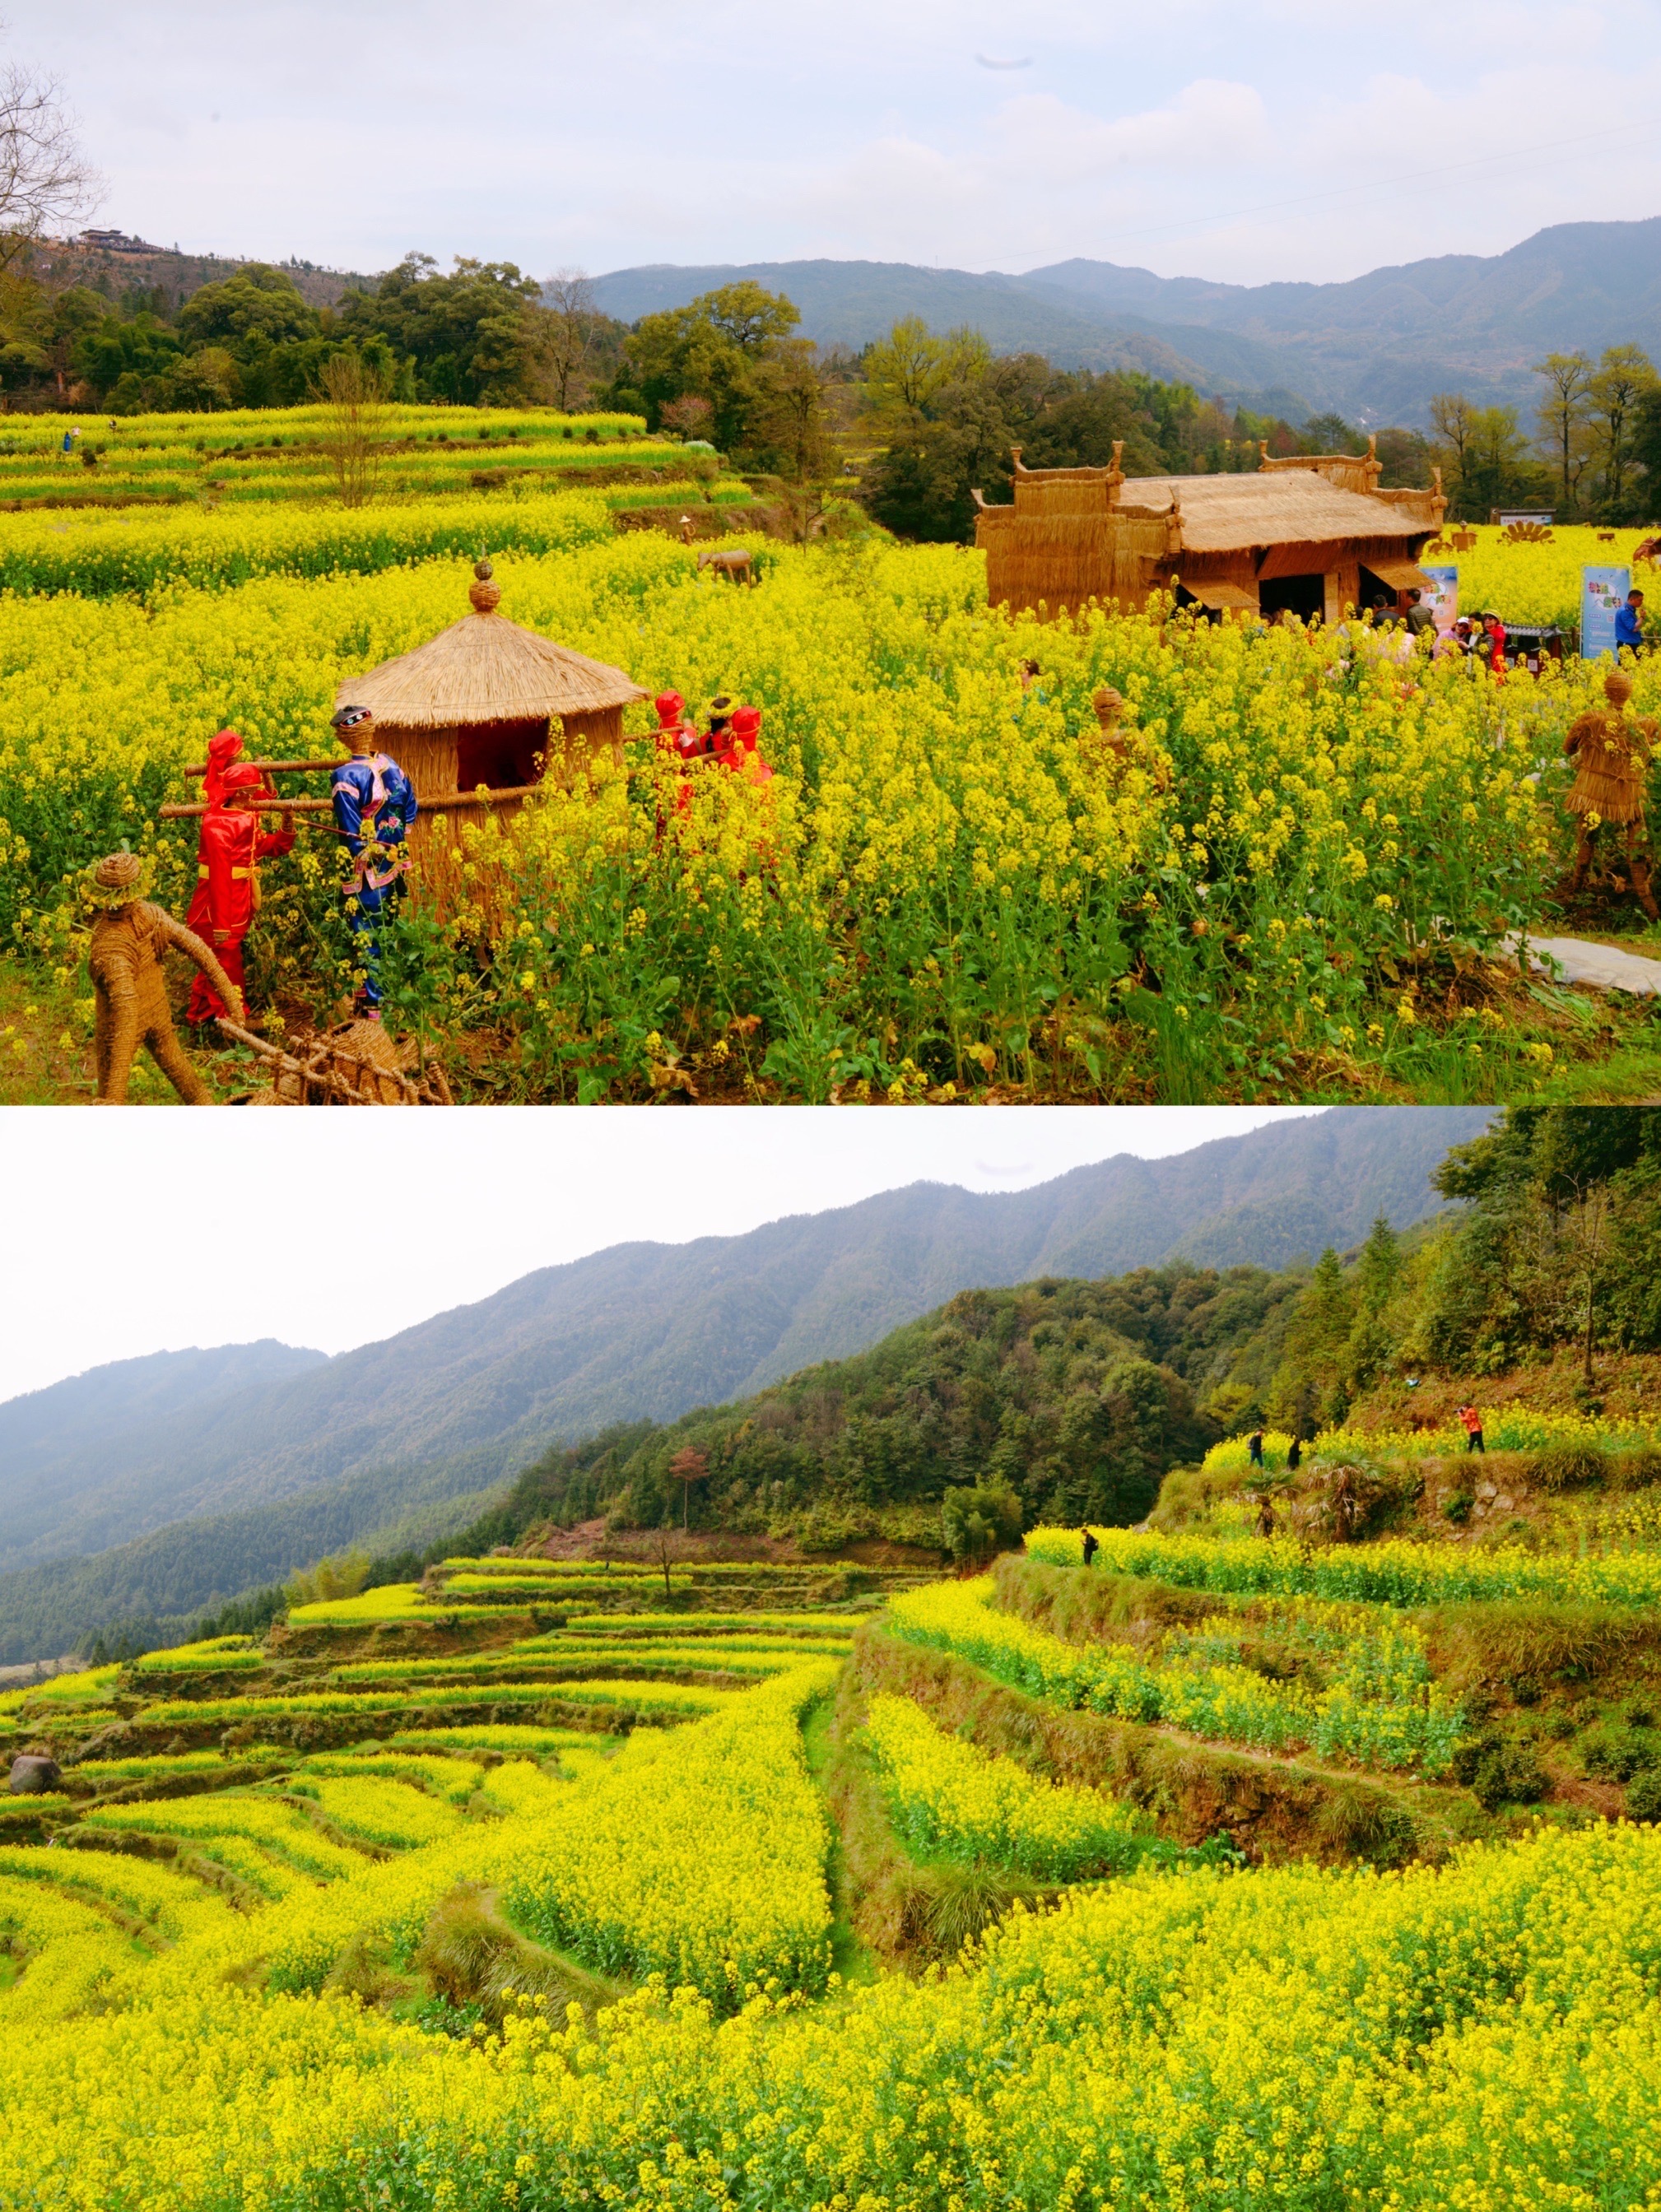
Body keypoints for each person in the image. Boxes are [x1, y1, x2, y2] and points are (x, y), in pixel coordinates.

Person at [84, 852, 244, 1104]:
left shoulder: (109, 942)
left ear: (101, 893)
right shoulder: (151, 917)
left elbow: (126, 1009)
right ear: (137, 885)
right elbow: (201, 952)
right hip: (157, 1014)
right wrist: (233, 1005)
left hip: (120, 1026)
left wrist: (113, 1098)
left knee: (112, 1087)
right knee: (186, 1080)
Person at [184, 758, 295, 1024]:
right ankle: (233, 1017)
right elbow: (220, 875)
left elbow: (269, 847)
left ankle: (199, 1017)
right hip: (215, 905)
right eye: (248, 792)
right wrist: (221, 924)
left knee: (212, 960)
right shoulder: (217, 824)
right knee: (224, 962)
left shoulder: (244, 817)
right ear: (237, 793)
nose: (252, 797)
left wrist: (286, 827)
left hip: (237, 898)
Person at [329, 704, 417, 1019]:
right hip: (393, 863)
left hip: (366, 868)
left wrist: (363, 851)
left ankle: (374, 1006)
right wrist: (396, 839)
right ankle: (376, 992)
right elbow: (410, 806)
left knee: (364, 929)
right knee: (384, 927)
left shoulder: (345, 775)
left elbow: (350, 827)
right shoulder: (390, 763)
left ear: (342, 736)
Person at [1563, 668, 1659, 919]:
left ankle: (1575, 890)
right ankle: (1649, 906)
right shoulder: (1647, 724)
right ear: (1630, 693)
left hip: (1593, 790)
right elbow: (1653, 751)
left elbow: (1567, 748)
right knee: (1636, 848)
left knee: (1587, 841)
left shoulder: (1590, 719)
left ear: (1606, 691)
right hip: (1629, 792)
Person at [1616, 589, 1646, 658]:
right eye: (1640, 600)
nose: (1641, 602)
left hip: (1632, 642)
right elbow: (1634, 628)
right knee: (1625, 667)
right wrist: (1642, 617)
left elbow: (1635, 625)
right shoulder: (1625, 611)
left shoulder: (1630, 610)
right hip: (1626, 644)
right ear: (1632, 599)